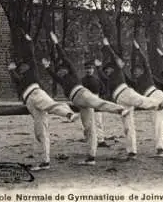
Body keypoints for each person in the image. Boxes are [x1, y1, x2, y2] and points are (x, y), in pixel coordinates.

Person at [42, 32, 129, 165]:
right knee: (89, 128)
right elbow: (53, 75)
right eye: (59, 71)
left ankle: (121, 110)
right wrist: (47, 67)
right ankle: (91, 157)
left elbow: (65, 58)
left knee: (99, 103)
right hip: (78, 102)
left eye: (63, 69)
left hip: (83, 94)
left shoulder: (73, 73)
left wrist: (56, 44)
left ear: (67, 69)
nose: (61, 72)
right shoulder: (61, 80)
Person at [8, 29, 79, 171]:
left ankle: (69, 114)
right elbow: (17, 80)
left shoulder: (32, 68)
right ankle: (45, 162)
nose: (23, 67)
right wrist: (11, 70)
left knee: (51, 105)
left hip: (36, 93)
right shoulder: (19, 78)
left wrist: (28, 40)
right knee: (40, 132)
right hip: (29, 102)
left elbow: (30, 54)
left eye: (24, 65)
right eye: (20, 66)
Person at [95, 37, 163, 160]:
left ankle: (159, 103)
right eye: (106, 70)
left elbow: (115, 58)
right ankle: (132, 151)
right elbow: (102, 77)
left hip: (126, 93)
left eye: (109, 69)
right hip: (120, 100)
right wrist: (98, 68)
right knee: (128, 126)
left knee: (141, 101)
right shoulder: (110, 79)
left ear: (114, 68)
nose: (107, 71)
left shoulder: (118, 71)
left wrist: (107, 46)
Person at [81, 61, 109, 148]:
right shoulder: (82, 81)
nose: (88, 70)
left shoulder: (97, 79)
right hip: (86, 102)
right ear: (84, 70)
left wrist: (101, 99)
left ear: (93, 69)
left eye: (90, 68)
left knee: (98, 122)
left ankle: (100, 140)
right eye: (87, 68)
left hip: (96, 101)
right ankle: (90, 139)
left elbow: (103, 91)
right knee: (88, 123)